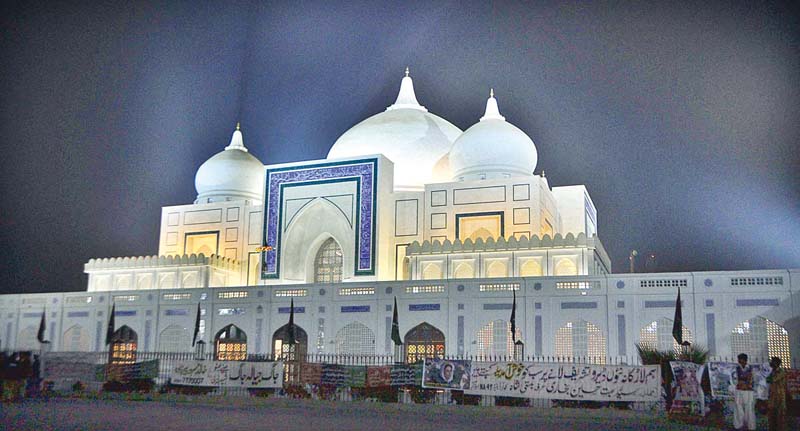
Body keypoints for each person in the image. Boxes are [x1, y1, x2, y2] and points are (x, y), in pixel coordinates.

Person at [733, 353, 756, 431]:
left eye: (741, 359)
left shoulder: (751, 368)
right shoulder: (736, 368)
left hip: (748, 392)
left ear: (745, 360)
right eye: (739, 360)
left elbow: (753, 380)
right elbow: (734, 379)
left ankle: (750, 426)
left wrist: (747, 384)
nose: (739, 361)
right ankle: (739, 425)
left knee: (749, 408)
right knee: (738, 407)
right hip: (739, 391)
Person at [766, 356, 787, 431]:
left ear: (777, 363)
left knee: (780, 416)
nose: (771, 363)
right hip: (772, 397)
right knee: (772, 416)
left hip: (780, 397)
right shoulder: (773, 371)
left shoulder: (781, 371)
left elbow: (772, 379)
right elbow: (767, 380)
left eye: (772, 361)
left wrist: (770, 377)